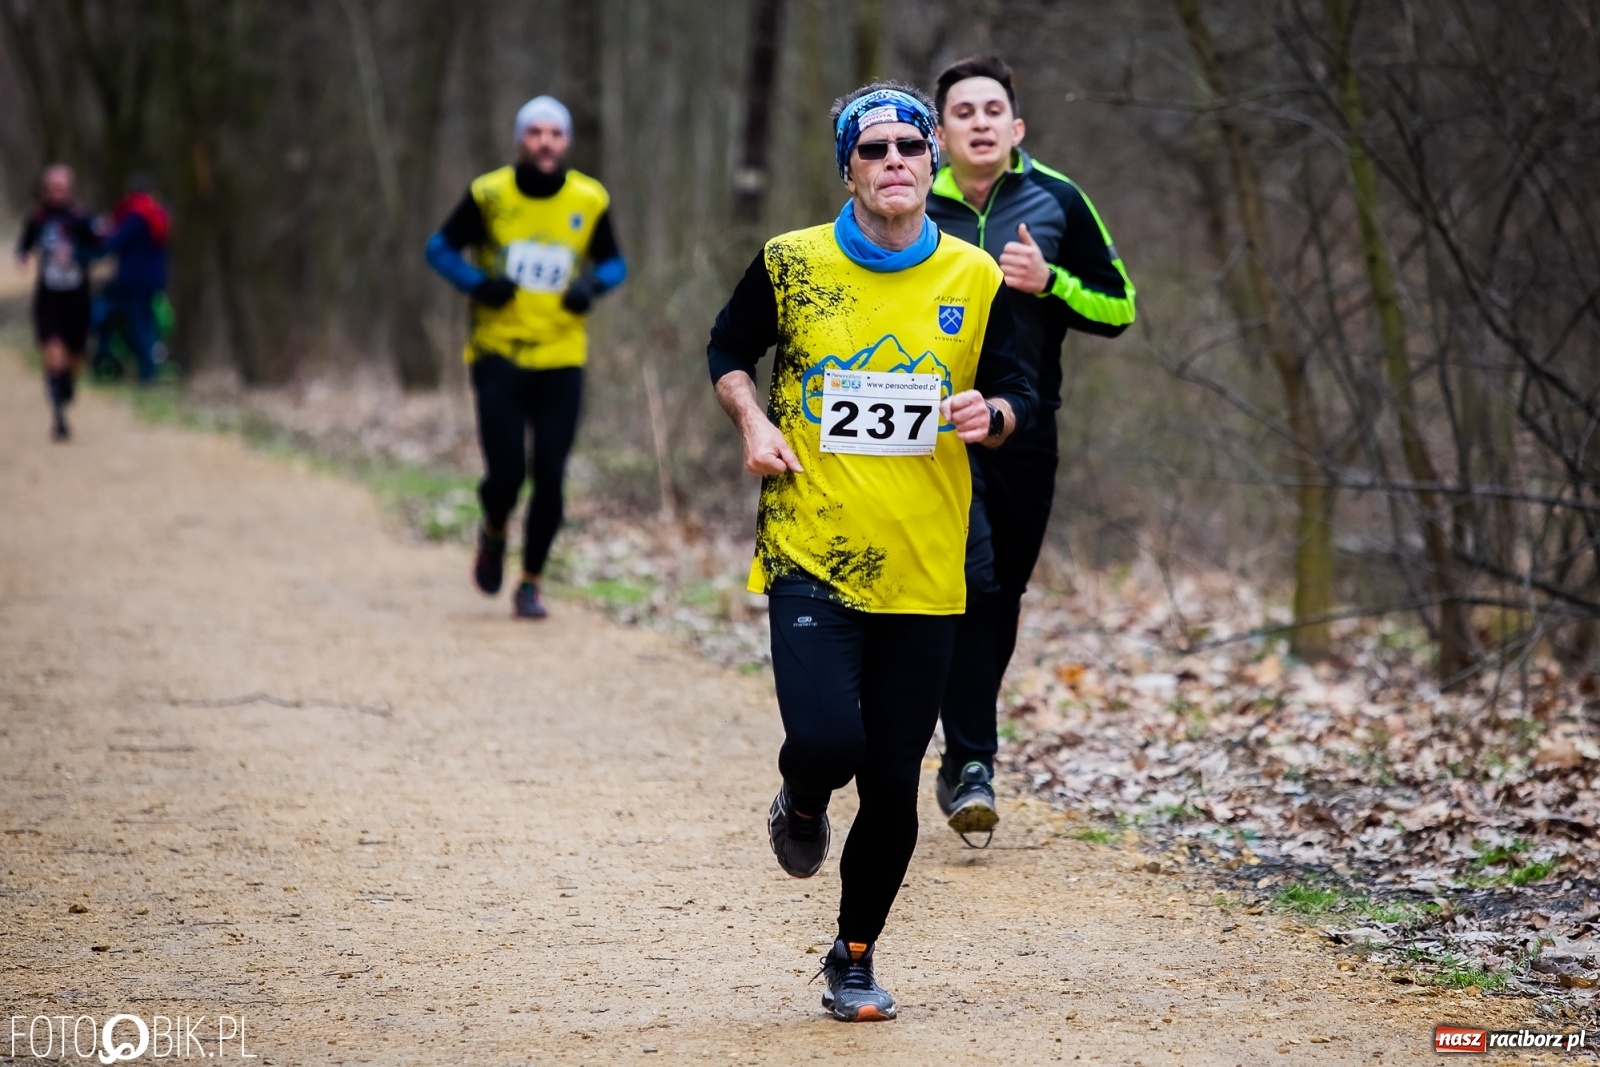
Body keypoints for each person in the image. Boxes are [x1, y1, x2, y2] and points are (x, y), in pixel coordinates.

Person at [707, 82, 1034, 1021]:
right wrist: (753, 420)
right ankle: (800, 800)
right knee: (824, 740)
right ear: (847, 168)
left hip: (925, 566)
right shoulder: (790, 263)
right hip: (812, 547)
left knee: (893, 779)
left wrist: (996, 413)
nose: (896, 161)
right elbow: (728, 349)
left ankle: (853, 955)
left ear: (934, 165)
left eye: (910, 147)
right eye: (874, 148)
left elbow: (1019, 389)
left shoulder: (974, 277)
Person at [925, 56, 1136, 843]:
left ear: (1016, 127)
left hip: (1025, 430)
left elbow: (1120, 306)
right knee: (959, 581)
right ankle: (970, 757)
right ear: (940, 132)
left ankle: (960, 758)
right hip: (930, 427)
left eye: (993, 110)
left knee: (997, 593)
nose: (978, 122)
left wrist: (1051, 282)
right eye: (962, 112)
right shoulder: (912, 197)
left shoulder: (1057, 200)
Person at [425, 95, 627, 619]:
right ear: (520, 139)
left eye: (555, 134)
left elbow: (615, 264)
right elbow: (439, 249)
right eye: (535, 133)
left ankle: (532, 581)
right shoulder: (489, 194)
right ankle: (493, 529)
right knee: (507, 472)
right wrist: (477, 283)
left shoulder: (590, 197)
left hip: (562, 355)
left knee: (552, 474)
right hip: (499, 352)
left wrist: (591, 286)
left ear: (566, 142)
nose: (545, 142)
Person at [16, 165, 97, 440]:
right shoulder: (38, 218)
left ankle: (68, 385)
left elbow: (99, 248)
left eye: (60, 187)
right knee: (53, 353)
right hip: (49, 298)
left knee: (74, 356)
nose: (55, 192)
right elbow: (24, 244)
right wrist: (22, 257)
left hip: (77, 297)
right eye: (51, 187)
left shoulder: (81, 218)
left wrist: (77, 254)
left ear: (69, 189)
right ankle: (59, 419)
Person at [93, 172, 171, 384]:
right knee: (145, 322)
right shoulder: (158, 212)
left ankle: (147, 374)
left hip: (133, 280)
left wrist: (98, 241)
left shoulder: (135, 214)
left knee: (138, 325)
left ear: (129, 192)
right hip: (155, 279)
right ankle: (148, 369)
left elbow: (114, 241)